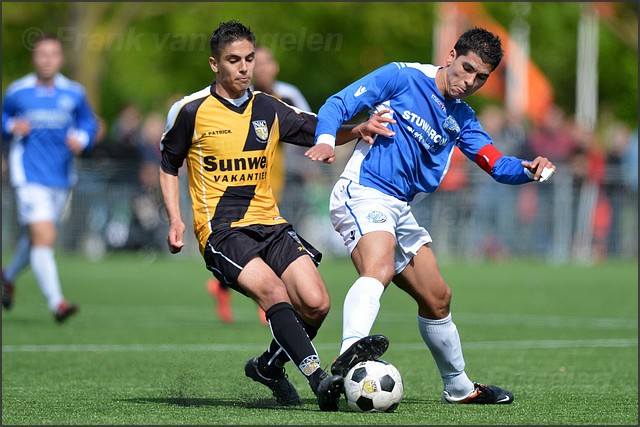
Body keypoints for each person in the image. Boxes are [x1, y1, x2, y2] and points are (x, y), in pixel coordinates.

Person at [306, 27, 557, 404]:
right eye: (467, 68)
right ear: (451, 54)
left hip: (398, 209)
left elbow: (496, 163)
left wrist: (528, 169)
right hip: (363, 190)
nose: (469, 81)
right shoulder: (403, 77)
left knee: (438, 297)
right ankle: (350, 356)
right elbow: (337, 104)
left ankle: (458, 388)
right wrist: (326, 140)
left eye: (481, 77)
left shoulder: (462, 118)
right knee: (379, 268)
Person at [158, 20, 389, 411]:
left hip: (271, 223)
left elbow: (316, 127)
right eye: (234, 60)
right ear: (215, 64)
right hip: (222, 231)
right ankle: (320, 380)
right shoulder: (190, 111)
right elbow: (168, 164)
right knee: (274, 293)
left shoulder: (268, 106)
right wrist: (176, 220)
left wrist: (359, 128)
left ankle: (268, 366)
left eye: (249, 58)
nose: (244, 67)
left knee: (316, 303)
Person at [205, 45, 315, 326]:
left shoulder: (287, 95)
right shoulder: (242, 98)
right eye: (258, 63)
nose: (262, 68)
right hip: (251, 184)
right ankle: (267, 300)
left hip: (284, 177)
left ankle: (227, 288)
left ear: (275, 66)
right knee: (256, 243)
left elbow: (311, 126)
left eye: (266, 62)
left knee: (274, 242)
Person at [1, 34, 98, 322]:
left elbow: (88, 123)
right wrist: (10, 125)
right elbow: (2, 119)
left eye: (53, 54)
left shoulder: (74, 92)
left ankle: (6, 276)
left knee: (35, 240)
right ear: (35, 58)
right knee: (45, 237)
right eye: (42, 54)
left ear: (60, 59)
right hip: (28, 175)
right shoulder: (18, 91)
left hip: (61, 176)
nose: (47, 59)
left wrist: (82, 137)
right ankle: (57, 303)